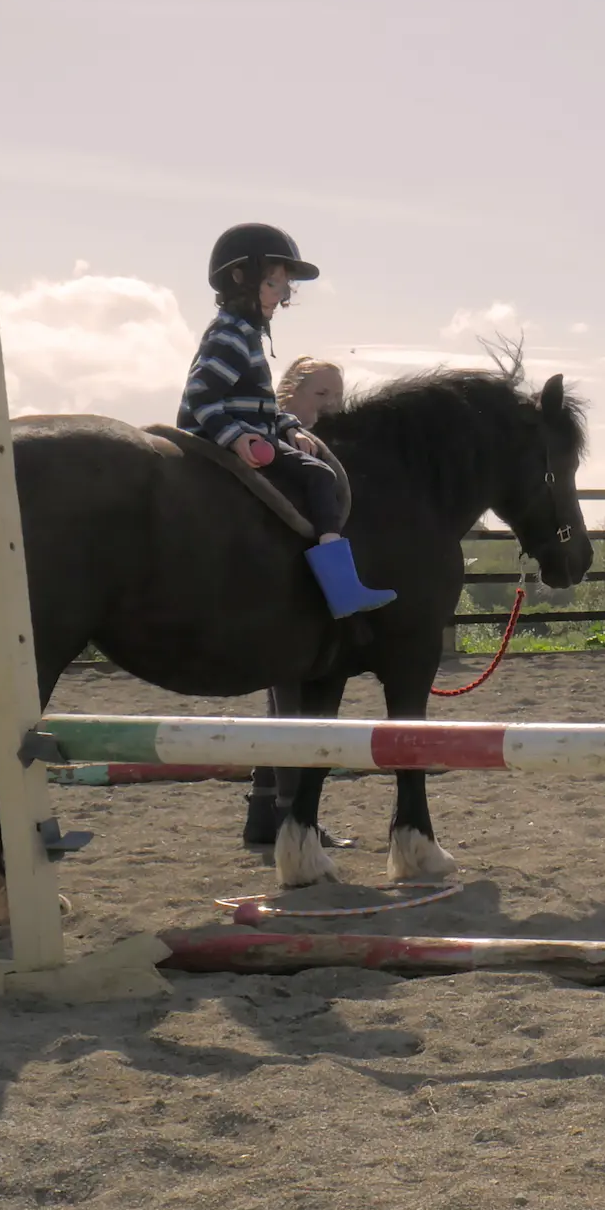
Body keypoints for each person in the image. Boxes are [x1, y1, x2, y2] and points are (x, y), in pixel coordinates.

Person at [178, 223, 394, 618]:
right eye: (274, 284)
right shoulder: (229, 335)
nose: (283, 296)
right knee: (319, 476)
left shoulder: (245, 334)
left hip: (249, 434)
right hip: (217, 440)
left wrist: (289, 427)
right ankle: (340, 586)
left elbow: (260, 406)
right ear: (240, 277)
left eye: (285, 287)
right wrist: (234, 439)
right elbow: (201, 396)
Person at [242, 355, 357, 850]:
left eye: (338, 396)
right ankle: (291, 811)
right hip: (281, 588)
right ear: (288, 392)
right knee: (290, 693)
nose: (331, 406)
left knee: (279, 695)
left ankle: (263, 807)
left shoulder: (294, 436)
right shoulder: (284, 450)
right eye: (321, 395)